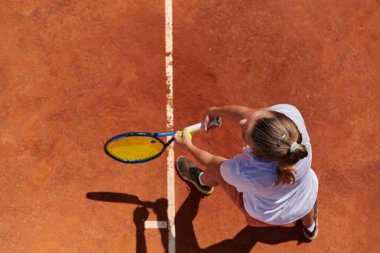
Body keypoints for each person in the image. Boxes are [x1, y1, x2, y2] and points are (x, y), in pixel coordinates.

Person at [174, 104, 319, 241]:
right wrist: (214, 111)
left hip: (266, 216)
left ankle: (202, 182)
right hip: (305, 197)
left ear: (258, 153)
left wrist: (188, 146)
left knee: (216, 171)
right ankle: (310, 228)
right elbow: (248, 114)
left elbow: (212, 161)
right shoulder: (291, 118)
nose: (242, 122)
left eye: (245, 132)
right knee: (307, 203)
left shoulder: (246, 172)